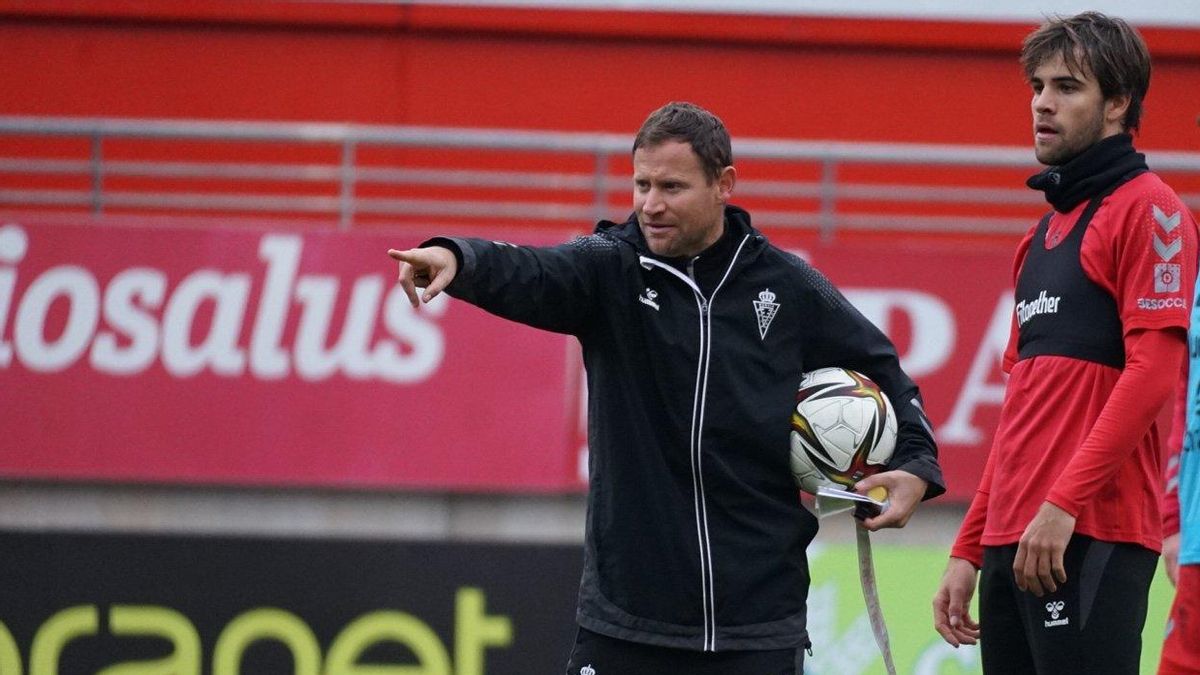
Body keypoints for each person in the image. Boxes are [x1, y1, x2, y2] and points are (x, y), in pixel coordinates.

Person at [389, 101, 944, 674]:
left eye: (672, 187)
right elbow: (531, 270)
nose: (650, 204)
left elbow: (884, 369)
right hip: (627, 622)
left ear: (723, 184)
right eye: (641, 184)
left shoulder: (787, 285)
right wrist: (457, 256)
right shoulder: (608, 267)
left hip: (757, 626)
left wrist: (915, 465)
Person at [932, 12, 1199, 674]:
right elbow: (1019, 410)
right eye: (1038, 85)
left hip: (1089, 531)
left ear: (1117, 103)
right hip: (1014, 539)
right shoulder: (1038, 239)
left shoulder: (1152, 208)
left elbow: (1154, 374)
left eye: (1067, 87)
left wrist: (1062, 505)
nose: (1043, 102)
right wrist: (968, 548)